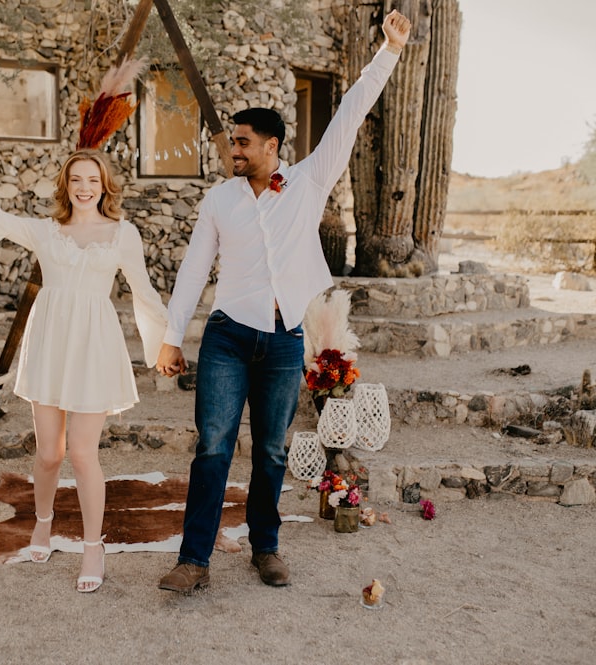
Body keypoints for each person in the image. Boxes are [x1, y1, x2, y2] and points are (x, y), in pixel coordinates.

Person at [155, 9, 412, 593]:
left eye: (242, 142)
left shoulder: (310, 180)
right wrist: (173, 336)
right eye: (232, 142)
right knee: (214, 447)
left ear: (272, 145)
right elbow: (195, 268)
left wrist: (389, 52)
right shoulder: (219, 201)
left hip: (284, 339)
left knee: (271, 451)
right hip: (226, 336)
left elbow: (350, 112)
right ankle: (193, 561)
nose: (233, 151)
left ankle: (265, 548)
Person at [0, 144, 168, 593]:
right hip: (52, 344)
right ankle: (42, 524)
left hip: (94, 346)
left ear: (105, 185)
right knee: (50, 453)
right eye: (76, 180)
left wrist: (166, 343)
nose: (84, 188)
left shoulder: (122, 234)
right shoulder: (45, 231)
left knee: (82, 452)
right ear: (65, 185)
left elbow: (143, 292)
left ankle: (93, 547)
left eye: (93, 180)